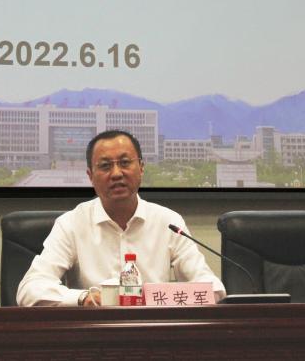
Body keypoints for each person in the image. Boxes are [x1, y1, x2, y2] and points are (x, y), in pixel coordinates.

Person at [16, 129, 226, 306]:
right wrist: (84, 298)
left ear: (141, 168)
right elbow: (30, 289)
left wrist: (159, 299)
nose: (116, 173)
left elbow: (212, 288)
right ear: (90, 176)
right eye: (105, 166)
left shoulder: (168, 222)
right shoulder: (71, 224)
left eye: (125, 163)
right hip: (94, 331)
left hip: (155, 330)